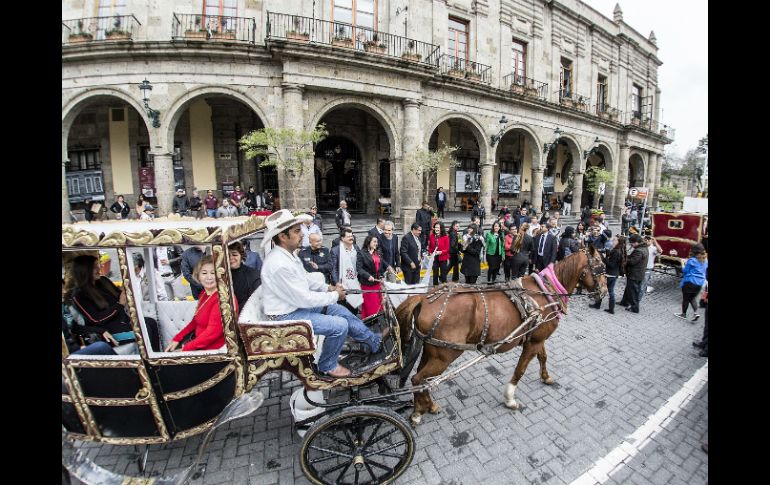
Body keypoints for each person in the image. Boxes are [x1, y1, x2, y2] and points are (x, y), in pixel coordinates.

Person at [259, 209, 387, 377]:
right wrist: (335, 295)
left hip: (295, 307)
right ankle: (327, 365)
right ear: (283, 237)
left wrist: (330, 288)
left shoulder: (288, 255)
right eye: (297, 231)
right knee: (339, 326)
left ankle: (373, 341)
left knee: (339, 310)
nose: (302, 235)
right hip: (286, 315)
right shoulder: (279, 264)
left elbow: (305, 279)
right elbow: (304, 298)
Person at [69, 255, 160, 352]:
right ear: (85, 271)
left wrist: (125, 291)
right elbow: (96, 319)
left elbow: (119, 295)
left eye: (98, 265)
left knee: (151, 322)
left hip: (123, 321)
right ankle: (147, 364)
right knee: (144, 330)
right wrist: (119, 304)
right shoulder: (79, 295)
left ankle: (157, 360)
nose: (99, 268)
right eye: (95, 267)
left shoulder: (103, 281)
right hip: (108, 331)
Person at [165, 256, 232, 352]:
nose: (209, 277)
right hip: (198, 346)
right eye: (204, 273)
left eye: (213, 273)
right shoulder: (204, 294)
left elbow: (211, 334)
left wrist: (185, 349)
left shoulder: (222, 298)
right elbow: (195, 321)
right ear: (198, 276)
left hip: (214, 353)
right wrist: (177, 338)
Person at [357, 235, 394, 319]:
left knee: (378, 304)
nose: (376, 244)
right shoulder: (361, 253)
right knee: (371, 305)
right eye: (374, 241)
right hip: (367, 284)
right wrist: (368, 276)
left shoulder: (377, 252)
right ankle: (371, 321)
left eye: (377, 242)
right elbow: (359, 268)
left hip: (377, 283)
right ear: (368, 242)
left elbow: (381, 264)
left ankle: (377, 320)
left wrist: (388, 266)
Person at [590, 235, 626, 313]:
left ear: (618, 242)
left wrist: (605, 258)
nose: (613, 241)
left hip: (610, 274)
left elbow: (611, 265)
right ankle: (609, 308)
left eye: (614, 240)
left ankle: (600, 306)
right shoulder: (619, 250)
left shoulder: (616, 251)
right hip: (613, 274)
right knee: (608, 290)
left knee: (603, 289)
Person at [675, 243, 708, 322]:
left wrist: (683, 263)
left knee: (686, 299)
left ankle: (683, 314)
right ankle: (696, 313)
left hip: (690, 282)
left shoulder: (692, 260)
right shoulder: (705, 260)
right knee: (692, 298)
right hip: (699, 283)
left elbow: (685, 271)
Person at [619, 234, 648, 313]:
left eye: (631, 243)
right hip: (638, 273)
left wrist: (625, 259)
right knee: (629, 289)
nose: (631, 245)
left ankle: (635, 308)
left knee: (633, 291)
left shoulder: (639, 251)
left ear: (636, 242)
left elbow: (632, 262)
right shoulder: (644, 248)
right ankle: (624, 302)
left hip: (635, 274)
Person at [228, 242, 261, 310]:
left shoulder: (253, 274)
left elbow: (256, 300)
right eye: (227, 255)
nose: (231, 258)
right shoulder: (221, 275)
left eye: (234, 254)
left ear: (241, 256)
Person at [639, 235, 662, 301]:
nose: (646, 242)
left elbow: (660, 251)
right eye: (645, 240)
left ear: (651, 241)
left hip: (647, 269)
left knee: (642, 286)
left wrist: (655, 241)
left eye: (648, 240)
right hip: (640, 268)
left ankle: (637, 301)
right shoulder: (642, 247)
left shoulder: (653, 249)